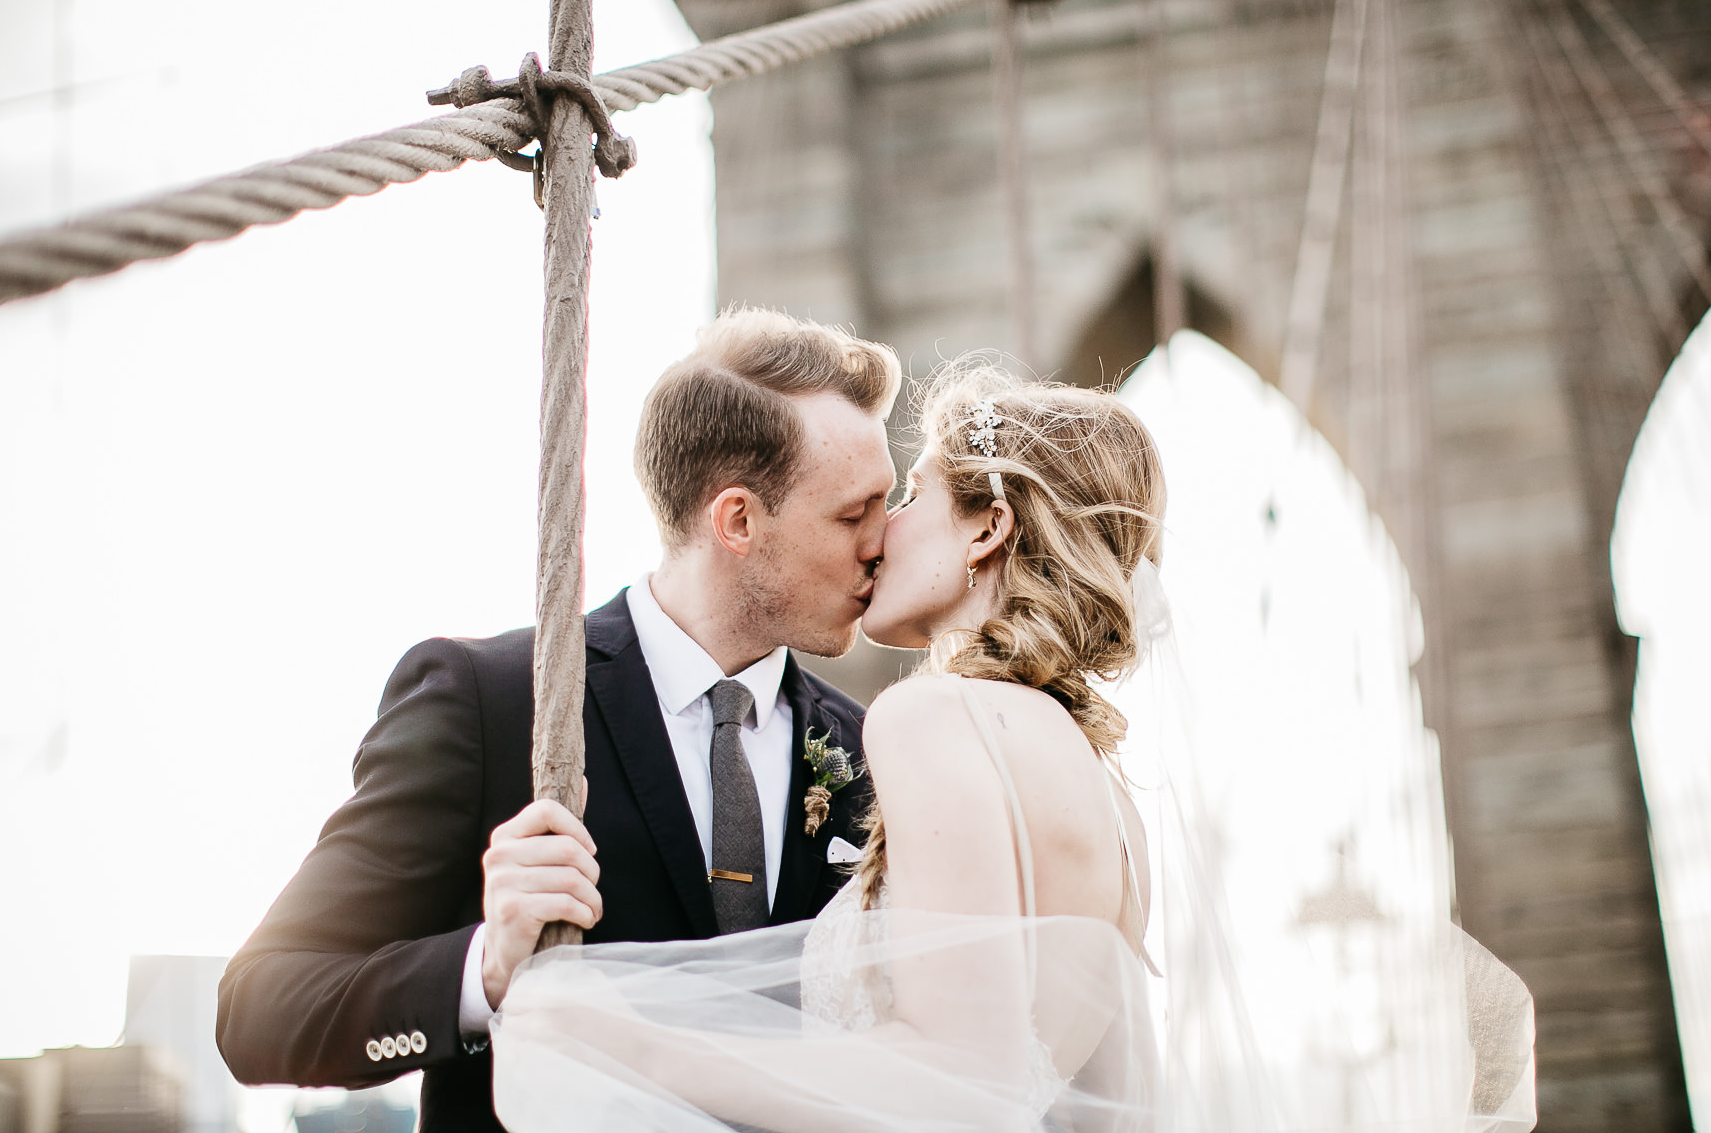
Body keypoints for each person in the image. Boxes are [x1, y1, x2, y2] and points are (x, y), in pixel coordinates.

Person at [215, 308, 903, 1133]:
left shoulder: (876, 755)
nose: (883, 544)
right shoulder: (491, 700)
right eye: (851, 514)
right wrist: (487, 965)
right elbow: (258, 1015)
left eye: (887, 506)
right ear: (738, 521)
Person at [488, 366, 1173, 1131]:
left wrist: (632, 1046)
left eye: (913, 496)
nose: (882, 536)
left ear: (988, 528)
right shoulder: (1109, 797)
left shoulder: (934, 717)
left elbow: (960, 1079)